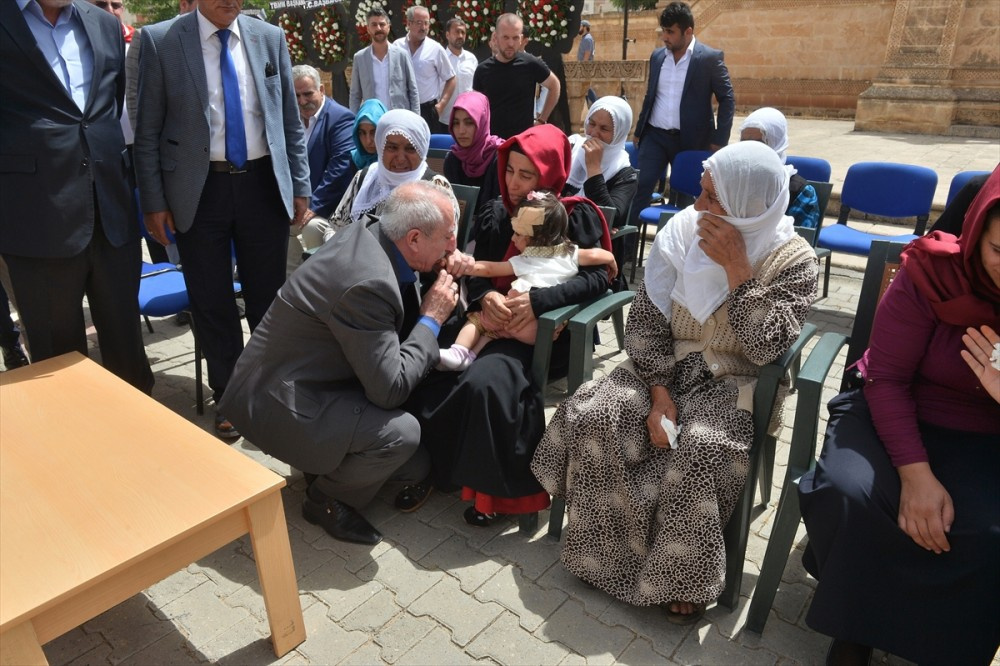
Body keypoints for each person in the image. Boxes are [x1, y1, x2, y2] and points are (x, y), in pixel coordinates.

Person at [531, 141, 818, 624]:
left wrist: (737, 268)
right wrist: (660, 395)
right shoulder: (681, 232)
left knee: (702, 447)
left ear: (750, 208)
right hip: (662, 368)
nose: (699, 208)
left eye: (713, 199)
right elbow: (645, 319)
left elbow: (765, 349)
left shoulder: (795, 261)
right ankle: (601, 555)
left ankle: (677, 576)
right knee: (599, 414)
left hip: (734, 382)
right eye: (701, 193)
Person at [798, 170, 1000, 665]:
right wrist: (915, 475)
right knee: (851, 494)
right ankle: (854, 629)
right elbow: (885, 379)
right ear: (976, 235)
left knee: (988, 530)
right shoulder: (934, 275)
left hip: (987, 435)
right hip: (891, 411)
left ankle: (942, 643)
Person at [220, 181, 474, 546]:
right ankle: (326, 501)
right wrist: (431, 318)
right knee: (402, 437)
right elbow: (390, 390)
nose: (454, 246)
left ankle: (322, 460)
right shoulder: (369, 283)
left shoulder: (371, 231)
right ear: (414, 238)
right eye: (449, 237)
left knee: (415, 466)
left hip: (286, 381)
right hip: (280, 403)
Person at [400, 124, 612, 525]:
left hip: (542, 332)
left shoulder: (571, 214)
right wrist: (486, 297)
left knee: (484, 384)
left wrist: (537, 301)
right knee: (421, 357)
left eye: (526, 175)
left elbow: (599, 278)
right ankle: (431, 463)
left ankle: (495, 493)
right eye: (510, 170)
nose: (513, 183)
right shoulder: (498, 211)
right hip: (487, 319)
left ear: (549, 174)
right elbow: (481, 269)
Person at [135, 0, 311, 438]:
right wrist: (154, 201)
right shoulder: (161, 41)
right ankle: (230, 395)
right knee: (211, 300)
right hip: (199, 191)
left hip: (262, 186)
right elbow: (147, 132)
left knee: (268, 298)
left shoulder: (267, 37)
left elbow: (289, 118)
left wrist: (300, 185)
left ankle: (269, 391)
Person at [1, 0, 154, 393]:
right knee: (58, 361)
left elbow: (108, 106)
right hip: (36, 217)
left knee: (127, 345)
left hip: (111, 212)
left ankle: (140, 437)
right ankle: (72, 445)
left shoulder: (103, 23)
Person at [439, 191, 617, 370]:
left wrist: (466, 265)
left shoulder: (527, 259)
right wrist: (610, 259)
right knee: (492, 333)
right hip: (544, 328)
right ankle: (470, 357)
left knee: (478, 321)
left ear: (536, 239)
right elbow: (596, 254)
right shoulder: (570, 253)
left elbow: (490, 269)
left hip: (517, 316)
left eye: (517, 233)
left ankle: (458, 351)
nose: (512, 238)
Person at [628, 1, 734, 232]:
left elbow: (727, 98)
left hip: (691, 141)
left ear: (688, 31)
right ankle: (625, 253)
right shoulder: (658, 58)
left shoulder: (708, 59)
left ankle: (678, 253)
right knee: (641, 187)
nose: (665, 37)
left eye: (670, 32)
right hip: (655, 136)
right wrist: (639, 131)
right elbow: (650, 95)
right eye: (663, 31)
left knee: (685, 198)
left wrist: (719, 139)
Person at [324, 109, 438, 240]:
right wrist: (340, 250)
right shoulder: (365, 177)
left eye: (411, 148)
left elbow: (439, 244)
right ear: (380, 147)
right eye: (392, 148)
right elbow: (334, 226)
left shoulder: (435, 186)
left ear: (422, 150)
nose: (400, 158)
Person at [563, 96, 638, 290]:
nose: (594, 133)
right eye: (591, 124)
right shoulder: (571, 148)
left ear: (619, 133)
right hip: (557, 239)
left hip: (595, 252)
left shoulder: (625, 173)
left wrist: (593, 168)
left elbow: (609, 215)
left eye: (604, 129)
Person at [288, 65, 355, 276]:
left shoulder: (340, 118)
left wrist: (311, 206)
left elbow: (340, 169)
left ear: (322, 90)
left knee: (307, 228)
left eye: (307, 94)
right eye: (296, 95)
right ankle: (285, 290)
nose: (301, 101)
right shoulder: (291, 119)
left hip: (328, 210)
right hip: (297, 206)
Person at [473, 13, 560, 139]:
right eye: (506, 37)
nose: (510, 43)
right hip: (492, 142)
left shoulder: (531, 64)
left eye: (515, 38)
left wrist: (541, 120)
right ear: (496, 38)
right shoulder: (482, 70)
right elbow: (476, 106)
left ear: (521, 39)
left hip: (522, 143)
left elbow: (554, 85)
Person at [739, 107, 820, 228]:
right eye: (744, 142)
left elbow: (800, 242)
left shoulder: (801, 193)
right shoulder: (731, 181)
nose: (750, 149)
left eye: (759, 143)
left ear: (777, 144)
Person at [349, 6, 419, 114]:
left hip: (399, 118)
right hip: (373, 119)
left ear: (388, 27)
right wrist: (354, 122)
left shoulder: (402, 55)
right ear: (368, 28)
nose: (378, 28)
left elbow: (413, 90)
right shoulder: (359, 58)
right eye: (374, 25)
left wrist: (415, 119)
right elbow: (355, 95)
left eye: (382, 24)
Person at [443, 91, 503, 215]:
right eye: (456, 123)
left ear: (482, 121)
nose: (461, 131)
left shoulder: (500, 157)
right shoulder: (453, 159)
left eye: (469, 122)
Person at [401, 5, 456, 134]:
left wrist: (441, 106)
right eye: (419, 23)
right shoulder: (397, 47)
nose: (424, 27)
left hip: (427, 111)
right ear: (409, 23)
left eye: (426, 23)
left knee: (428, 151)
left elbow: (451, 79)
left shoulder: (435, 49)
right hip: (402, 109)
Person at [440, 18, 478, 132]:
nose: (460, 35)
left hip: (468, 119)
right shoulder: (439, 58)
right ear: (447, 35)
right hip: (444, 119)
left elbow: (475, 87)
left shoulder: (471, 59)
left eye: (463, 32)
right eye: (457, 32)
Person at [349, 98, 387, 173]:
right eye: (362, 133)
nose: (368, 141)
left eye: (373, 133)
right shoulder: (354, 161)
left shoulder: (395, 163)